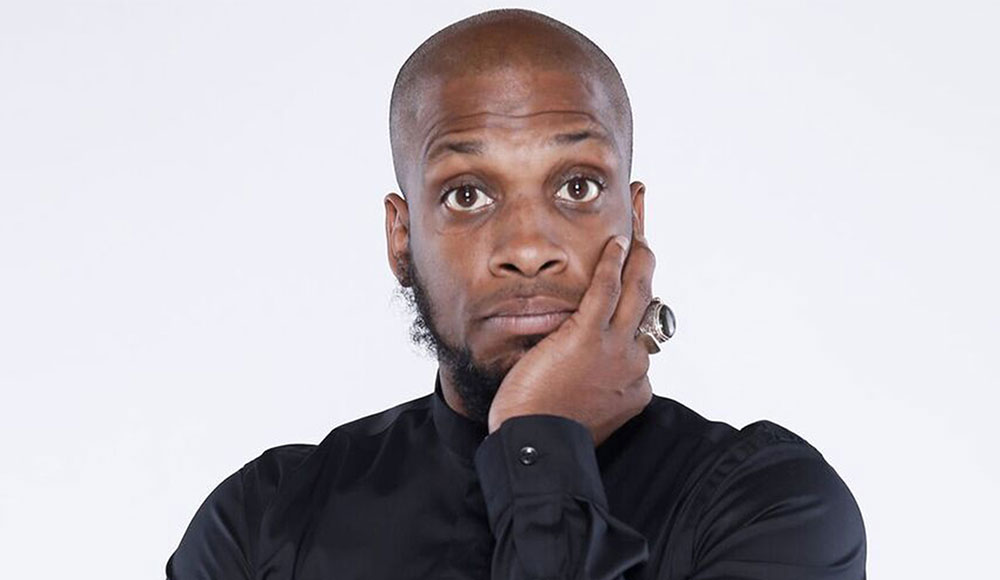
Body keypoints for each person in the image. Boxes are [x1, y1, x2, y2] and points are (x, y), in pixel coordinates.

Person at [166, 9, 866, 580]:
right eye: (467, 195)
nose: (529, 248)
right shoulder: (264, 522)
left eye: (578, 187)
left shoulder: (771, 510)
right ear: (401, 239)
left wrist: (536, 435)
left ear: (635, 218)